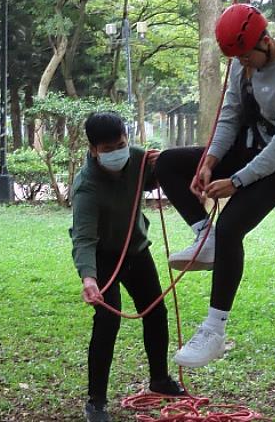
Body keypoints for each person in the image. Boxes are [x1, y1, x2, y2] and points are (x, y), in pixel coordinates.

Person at [155, 4, 275, 368]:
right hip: (246, 151)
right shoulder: (241, 65)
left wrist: (237, 181)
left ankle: (214, 330)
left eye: (247, 57)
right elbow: (229, 114)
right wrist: (210, 162)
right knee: (167, 163)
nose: (243, 65)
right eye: (237, 59)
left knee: (231, 227)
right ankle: (204, 235)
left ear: (265, 41)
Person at [70, 112, 184, 422]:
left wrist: (163, 167)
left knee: (155, 313)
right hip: (104, 256)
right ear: (93, 149)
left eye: (120, 144)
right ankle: (96, 401)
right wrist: (89, 279)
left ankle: (160, 379)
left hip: (135, 250)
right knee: (107, 323)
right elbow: (83, 239)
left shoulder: (137, 159)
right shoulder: (86, 188)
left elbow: (156, 179)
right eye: (107, 149)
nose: (116, 152)